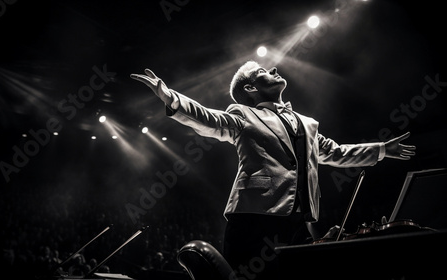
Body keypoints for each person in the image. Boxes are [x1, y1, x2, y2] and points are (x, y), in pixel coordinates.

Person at [130, 61, 416, 279]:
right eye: (264, 72)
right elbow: (210, 119)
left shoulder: (307, 123)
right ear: (251, 90)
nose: (275, 68)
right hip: (255, 220)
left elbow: (336, 152)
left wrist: (380, 149)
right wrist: (171, 98)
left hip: (298, 222)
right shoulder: (244, 114)